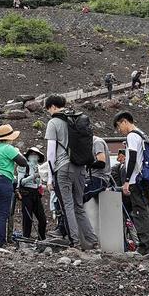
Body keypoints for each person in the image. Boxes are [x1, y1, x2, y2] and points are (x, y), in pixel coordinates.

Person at [46, 95, 98, 250]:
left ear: (53, 107)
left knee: (67, 205)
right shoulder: (76, 120)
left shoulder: (53, 122)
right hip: (80, 167)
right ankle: (92, 241)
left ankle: (73, 241)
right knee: (79, 206)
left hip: (64, 168)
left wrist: (49, 177)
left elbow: (50, 153)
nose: (49, 112)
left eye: (48, 109)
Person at [114, 111, 149, 255]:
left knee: (141, 213)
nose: (119, 130)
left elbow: (132, 158)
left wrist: (127, 180)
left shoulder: (132, 136)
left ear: (124, 122)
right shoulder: (142, 134)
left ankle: (144, 248)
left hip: (137, 180)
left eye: (118, 126)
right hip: (146, 180)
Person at [17, 147, 47, 240]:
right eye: (32, 155)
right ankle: (26, 239)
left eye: (36, 155)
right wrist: (33, 176)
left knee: (42, 219)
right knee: (27, 219)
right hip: (26, 194)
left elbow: (39, 184)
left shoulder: (39, 168)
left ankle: (42, 238)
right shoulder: (24, 166)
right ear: (28, 156)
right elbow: (21, 182)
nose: (34, 157)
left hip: (36, 194)